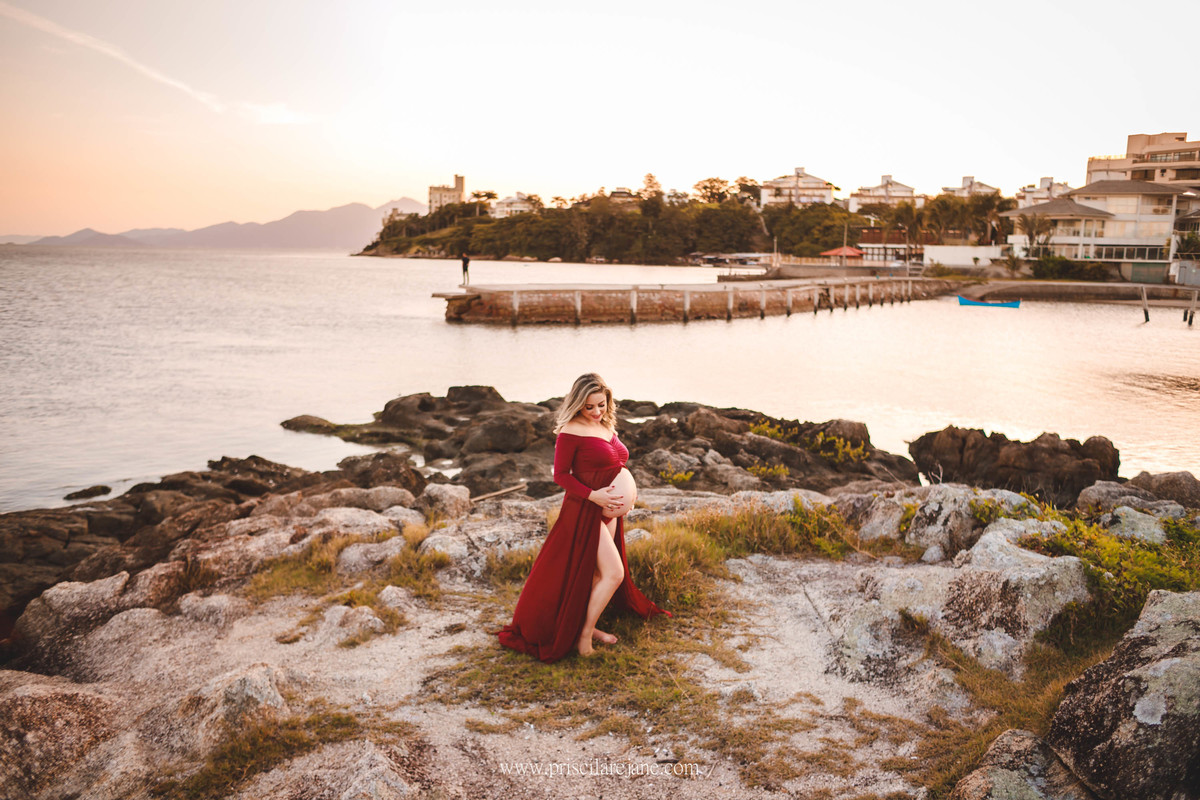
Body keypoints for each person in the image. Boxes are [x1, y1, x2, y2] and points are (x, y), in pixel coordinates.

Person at [497, 373, 671, 661]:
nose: (596, 412)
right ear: (578, 404)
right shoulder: (570, 430)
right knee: (613, 574)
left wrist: (629, 493)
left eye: (601, 405)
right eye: (589, 407)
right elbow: (561, 475)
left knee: (595, 574)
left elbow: (617, 463)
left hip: (608, 512)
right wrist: (596, 496)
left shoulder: (604, 425)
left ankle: (589, 625)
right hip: (584, 511)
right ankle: (584, 636)